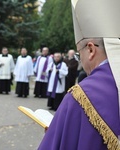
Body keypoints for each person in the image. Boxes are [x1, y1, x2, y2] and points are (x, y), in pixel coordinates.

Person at [38, 0, 120, 149]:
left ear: (90, 50)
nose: (79, 58)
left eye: (78, 53)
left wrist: (57, 135)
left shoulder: (81, 96)